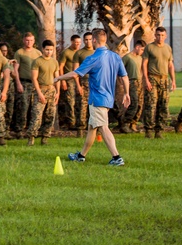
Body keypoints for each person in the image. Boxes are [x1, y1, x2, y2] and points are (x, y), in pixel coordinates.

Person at [54, 28, 128, 166]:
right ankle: (81, 156)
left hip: (97, 99)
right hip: (108, 98)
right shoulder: (115, 56)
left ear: (94, 40)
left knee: (103, 128)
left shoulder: (93, 58)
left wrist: (58, 78)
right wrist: (127, 93)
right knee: (92, 128)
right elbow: (124, 76)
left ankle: (117, 157)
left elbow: (75, 74)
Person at [141, 27, 175, 139]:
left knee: (163, 105)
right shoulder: (149, 47)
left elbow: (170, 65)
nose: (160, 37)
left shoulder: (168, 48)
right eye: (158, 35)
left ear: (165, 36)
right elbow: (144, 64)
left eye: (162, 35)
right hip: (152, 78)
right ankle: (149, 130)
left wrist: (173, 80)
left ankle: (159, 130)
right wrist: (146, 80)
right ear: (155, 35)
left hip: (164, 79)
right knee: (151, 105)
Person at [27, 40, 60, 145]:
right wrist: (39, 93)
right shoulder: (37, 61)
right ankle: (31, 137)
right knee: (37, 115)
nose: (49, 52)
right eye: (47, 50)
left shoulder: (54, 62)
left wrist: (58, 92)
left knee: (50, 115)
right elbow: (34, 78)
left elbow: (57, 78)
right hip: (41, 89)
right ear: (42, 49)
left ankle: (45, 137)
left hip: (52, 90)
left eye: (51, 50)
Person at [13, 32, 41, 139]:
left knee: (35, 108)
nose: (29, 42)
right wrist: (18, 83)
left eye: (31, 40)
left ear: (34, 41)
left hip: (35, 84)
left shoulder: (38, 53)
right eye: (27, 40)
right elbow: (15, 69)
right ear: (24, 40)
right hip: (24, 83)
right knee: (23, 107)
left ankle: (32, 131)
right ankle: (19, 130)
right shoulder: (19, 53)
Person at [117, 40, 145, 133]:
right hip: (131, 82)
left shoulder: (140, 58)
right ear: (137, 47)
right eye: (141, 49)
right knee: (133, 104)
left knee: (140, 105)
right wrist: (122, 82)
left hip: (139, 82)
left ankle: (133, 124)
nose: (142, 51)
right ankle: (125, 123)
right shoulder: (127, 57)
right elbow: (120, 70)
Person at [57, 34, 83, 132]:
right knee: (70, 101)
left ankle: (80, 122)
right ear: (72, 42)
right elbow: (60, 67)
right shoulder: (66, 52)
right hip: (69, 79)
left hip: (80, 78)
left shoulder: (81, 52)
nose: (77, 44)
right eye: (76, 42)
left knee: (80, 101)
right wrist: (63, 80)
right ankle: (71, 123)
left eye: (79, 43)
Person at [73, 32, 96, 135]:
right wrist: (78, 85)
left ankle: (96, 130)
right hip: (84, 82)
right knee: (82, 106)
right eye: (86, 39)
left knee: (96, 107)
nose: (88, 41)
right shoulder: (79, 53)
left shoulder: (97, 52)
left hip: (95, 83)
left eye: (90, 39)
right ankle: (80, 130)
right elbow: (75, 71)